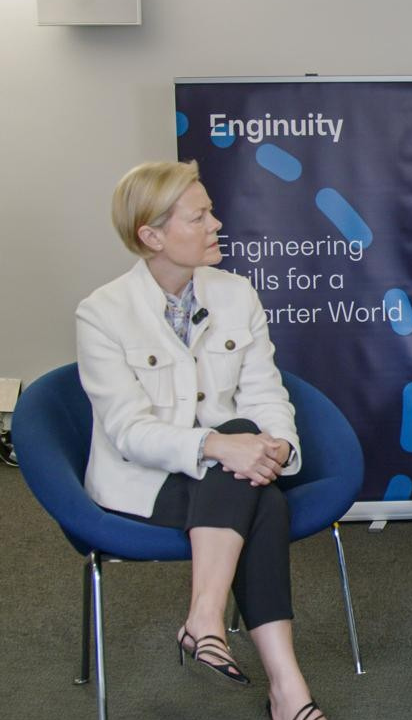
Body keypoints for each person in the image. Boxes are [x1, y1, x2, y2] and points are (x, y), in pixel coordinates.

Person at [76, 161, 327, 720]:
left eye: (211, 210)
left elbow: (267, 393)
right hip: (144, 481)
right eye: (200, 216)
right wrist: (221, 445)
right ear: (152, 235)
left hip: (231, 472)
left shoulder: (237, 293)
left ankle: (209, 623)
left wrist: (279, 445)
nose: (218, 223)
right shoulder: (102, 314)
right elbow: (127, 431)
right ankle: (285, 690)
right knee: (259, 491)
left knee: (253, 471)